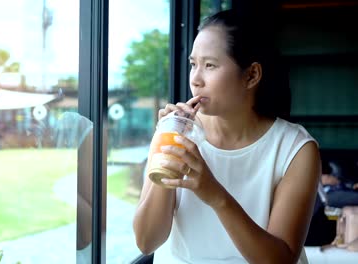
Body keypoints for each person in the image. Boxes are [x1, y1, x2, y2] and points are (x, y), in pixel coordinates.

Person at [133, 9, 320, 264]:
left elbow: (281, 260)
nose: (195, 80)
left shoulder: (295, 149)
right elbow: (146, 241)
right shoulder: (174, 132)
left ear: (252, 75)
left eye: (210, 65)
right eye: (193, 64)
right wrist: (167, 152)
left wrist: (216, 195)